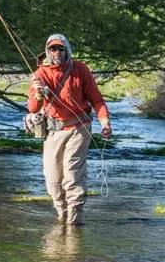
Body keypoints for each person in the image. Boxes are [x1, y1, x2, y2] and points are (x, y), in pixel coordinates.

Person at [27, 34, 112, 225]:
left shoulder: (80, 69)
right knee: (53, 179)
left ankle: (74, 221)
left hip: (79, 128)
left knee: (72, 174)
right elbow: (32, 108)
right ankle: (62, 216)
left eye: (60, 49)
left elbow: (97, 100)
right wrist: (39, 95)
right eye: (53, 49)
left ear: (67, 50)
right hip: (53, 131)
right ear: (47, 51)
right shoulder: (40, 74)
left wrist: (105, 122)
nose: (57, 52)